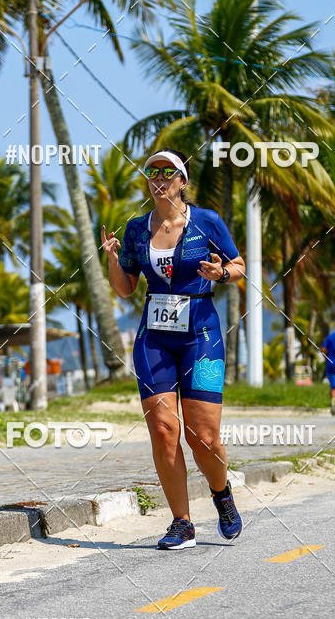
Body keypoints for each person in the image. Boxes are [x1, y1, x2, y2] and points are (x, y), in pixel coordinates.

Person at [102, 148, 246, 550]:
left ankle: (222, 496)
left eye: (168, 172)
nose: (159, 178)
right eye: (153, 172)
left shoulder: (206, 221)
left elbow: (239, 265)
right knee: (164, 431)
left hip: (202, 336)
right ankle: (181, 523)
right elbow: (125, 289)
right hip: (155, 338)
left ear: (183, 181)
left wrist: (221, 273)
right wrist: (114, 259)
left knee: (204, 435)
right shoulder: (135, 229)